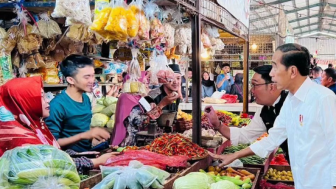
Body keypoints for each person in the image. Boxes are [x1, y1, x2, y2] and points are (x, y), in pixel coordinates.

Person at [208, 43, 336, 189]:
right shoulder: (291, 101)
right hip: (303, 181)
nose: (272, 73)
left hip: (324, 183)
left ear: (292, 71)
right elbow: (273, 138)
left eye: (275, 66)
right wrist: (233, 155)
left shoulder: (323, 98)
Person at [0, 77, 119, 173]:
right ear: (24, 102)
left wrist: (95, 154)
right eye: (41, 98)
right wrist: (95, 162)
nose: (47, 101)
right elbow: (52, 165)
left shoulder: (35, 126)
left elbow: (55, 153)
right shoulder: (20, 138)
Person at [207, 65, 290, 161]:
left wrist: (235, 155)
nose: (251, 90)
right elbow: (245, 134)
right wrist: (218, 124)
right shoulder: (264, 111)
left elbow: (272, 140)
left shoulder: (291, 105)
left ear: (272, 87)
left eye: (255, 85)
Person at [46, 55, 110, 153]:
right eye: (87, 77)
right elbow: (51, 143)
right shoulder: (57, 105)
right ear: (70, 80)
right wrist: (84, 135)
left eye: (93, 75)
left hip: (87, 154)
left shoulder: (85, 98)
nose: (92, 81)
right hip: (69, 159)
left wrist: (95, 139)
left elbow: (82, 128)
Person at [111, 71, 179, 146]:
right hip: (127, 144)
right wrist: (161, 105)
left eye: (147, 83)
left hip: (137, 142)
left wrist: (152, 107)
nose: (147, 86)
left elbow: (146, 114)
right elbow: (141, 122)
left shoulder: (139, 98)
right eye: (144, 83)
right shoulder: (126, 97)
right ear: (136, 83)